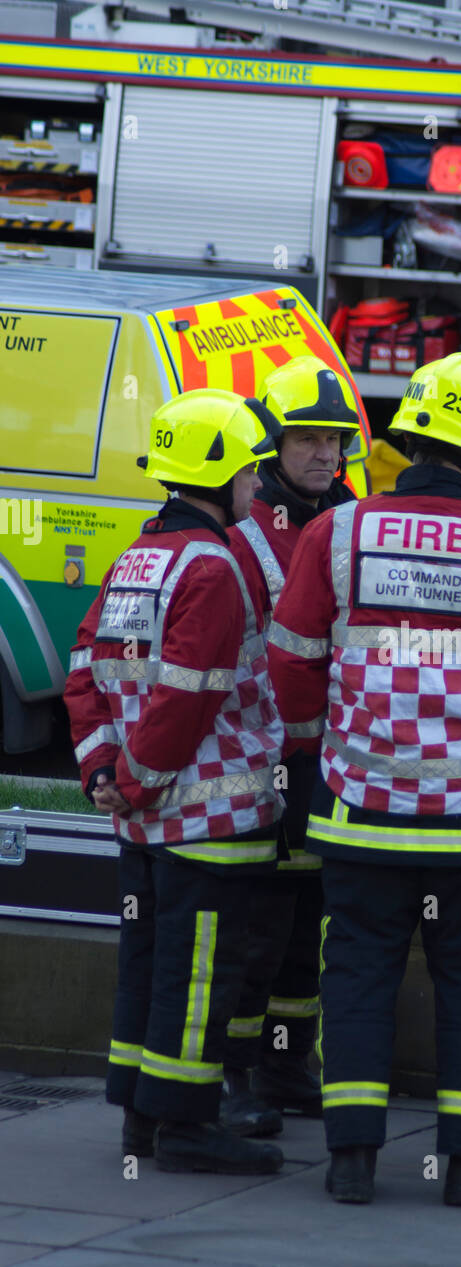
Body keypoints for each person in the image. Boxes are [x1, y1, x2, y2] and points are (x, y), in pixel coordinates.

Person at [267, 352, 461, 1206]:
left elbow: (292, 657)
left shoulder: (338, 531)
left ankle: (351, 1161)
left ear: (405, 437)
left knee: (357, 975)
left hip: (359, 811)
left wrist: (314, 741)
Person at [64, 389, 286, 1175]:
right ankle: (188, 1127)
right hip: (206, 821)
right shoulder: (214, 568)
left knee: (147, 963)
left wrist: (102, 772)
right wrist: (134, 779)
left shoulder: (137, 556)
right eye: (252, 472)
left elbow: (83, 670)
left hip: (141, 819)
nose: (259, 487)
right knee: (198, 975)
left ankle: (140, 1119)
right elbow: (187, 693)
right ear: (220, 474)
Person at [227, 355, 362, 1124]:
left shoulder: (353, 518)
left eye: (336, 440)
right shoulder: (246, 528)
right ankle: (237, 1073)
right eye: (307, 438)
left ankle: (286, 1067)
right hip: (256, 760)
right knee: (258, 924)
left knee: (310, 919)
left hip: (329, 759)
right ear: (271, 446)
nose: (325, 454)